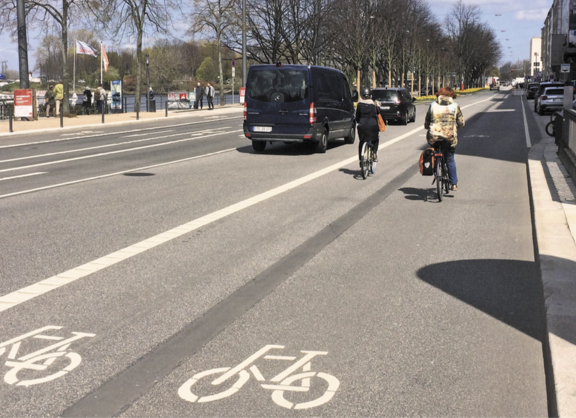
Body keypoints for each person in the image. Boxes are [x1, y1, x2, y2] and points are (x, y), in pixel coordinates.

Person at [424, 86, 465, 191]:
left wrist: (427, 126)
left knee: (434, 150)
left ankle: (436, 169)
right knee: (450, 158)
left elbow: (427, 120)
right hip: (449, 137)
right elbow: (461, 122)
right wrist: (459, 126)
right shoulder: (455, 106)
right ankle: (454, 183)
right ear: (452, 96)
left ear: (439, 95)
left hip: (434, 136)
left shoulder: (433, 105)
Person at [355, 87, 381, 164]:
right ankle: (374, 153)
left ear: (362, 96)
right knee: (375, 139)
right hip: (373, 125)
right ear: (370, 95)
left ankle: (361, 159)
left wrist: (359, 121)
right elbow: (379, 114)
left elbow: (357, 117)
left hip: (362, 125)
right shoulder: (374, 104)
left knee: (362, 142)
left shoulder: (359, 105)